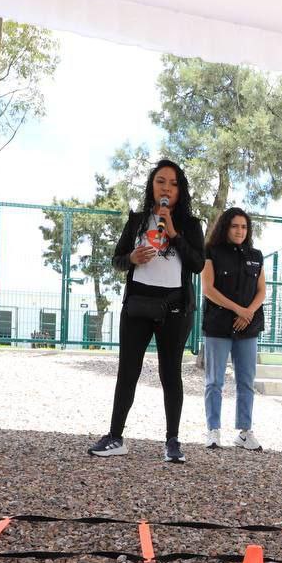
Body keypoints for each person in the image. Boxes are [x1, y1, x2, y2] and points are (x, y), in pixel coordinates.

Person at [88, 159, 205, 462]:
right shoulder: (138, 220)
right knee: (128, 370)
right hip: (138, 305)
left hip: (175, 308)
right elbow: (117, 260)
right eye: (160, 181)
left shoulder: (191, 225)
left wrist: (175, 233)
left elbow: (197, 264)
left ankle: (172, 442)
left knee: (171, 373)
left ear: (181, 190)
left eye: (173, 183)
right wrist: (132, 257)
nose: (166, 188)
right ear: (152, 186)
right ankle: (115, 437)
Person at [200, 207, 266, 451]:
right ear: (226, 227)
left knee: (246, 381)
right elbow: (208, 289)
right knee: (214, 381)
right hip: (219, 326)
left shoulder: (256, 255)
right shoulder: (212, 252)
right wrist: (239, 309)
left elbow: (261, 290)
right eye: (235, 226)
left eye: (244, 227)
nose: (240, 231)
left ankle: (244, 432)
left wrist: (247, 313)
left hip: (247, 327)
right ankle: (213, 430)